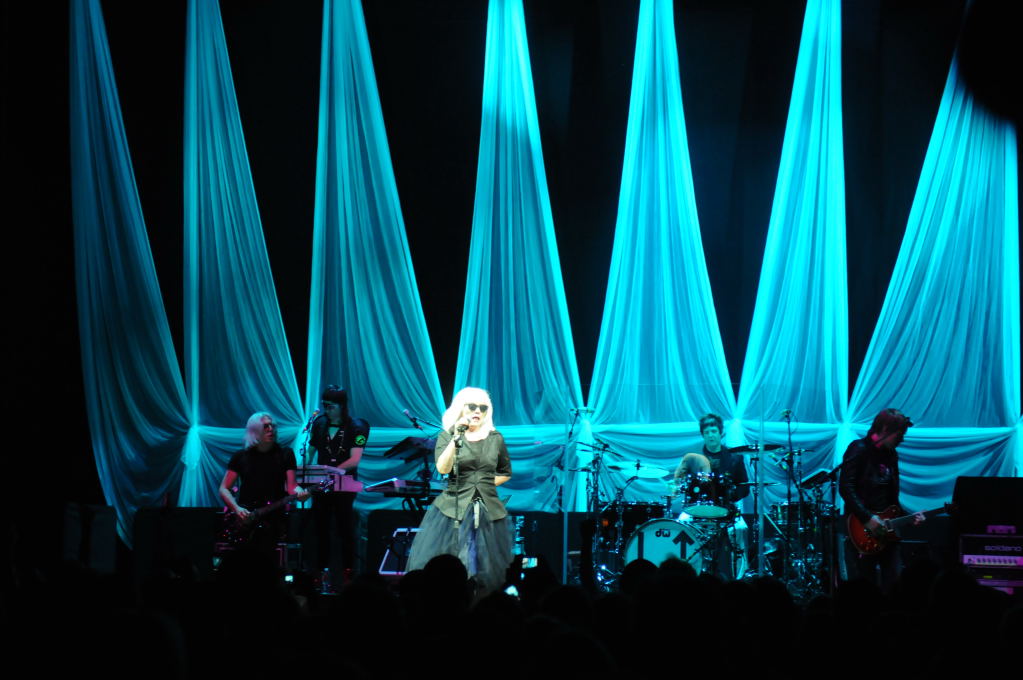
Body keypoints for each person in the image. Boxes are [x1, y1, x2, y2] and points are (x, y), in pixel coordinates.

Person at [406, 387, 513, 595]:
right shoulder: (447, 436)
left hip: (486, 508)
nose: (477, 411)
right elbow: (443, 468)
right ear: (461, 408)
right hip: (453, 506)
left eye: (483, 408)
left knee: (482, 562)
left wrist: (484, 486)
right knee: (454, 557)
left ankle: (478, 600)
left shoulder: (495, 438)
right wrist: (457, 438)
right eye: (472, 406)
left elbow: (505, 472)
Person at [839, 407, 921, 591]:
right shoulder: (859, 449)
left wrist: (908, 517)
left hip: (888, 531)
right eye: (899, 435)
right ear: (885, 429)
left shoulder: (891, 455)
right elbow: (846, 488)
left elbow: (892, 498)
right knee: (864, 587)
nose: (902, 439)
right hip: (862, 529)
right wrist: (867, 517)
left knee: (894, 585)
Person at [219, 412, 309, 554]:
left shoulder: (285, 454)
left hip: (273, 517)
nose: (271, 429)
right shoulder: (241, 456)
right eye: (265, 426)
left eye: (273, 426)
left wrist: (301, 494)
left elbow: (292, 487)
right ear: (254, 430)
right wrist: (237, 509)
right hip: (247, 517)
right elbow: (224, 488)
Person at [307, 385, 369, 580]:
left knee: (345, 527)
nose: (327, 410)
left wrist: (334, 471)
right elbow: (310, 451)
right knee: (320, 528)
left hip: (344, 483)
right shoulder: (319, 424)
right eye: (325, 406)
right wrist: (302, 474)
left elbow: (355, 459)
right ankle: (320, 572)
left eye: (331, 406)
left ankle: (348, 572)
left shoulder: (357, 426)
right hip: (321, 484)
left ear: (342, 406)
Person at [673, 413, 749, 504]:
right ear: (703, 435)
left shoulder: (735, 458)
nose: (710, 435)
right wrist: (675, 484)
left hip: (725, 507)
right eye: (706, 432)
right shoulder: (693, 458)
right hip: (699, 507)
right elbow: (682, 482)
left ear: (720, 433)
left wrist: (731, 495)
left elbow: (744, 487)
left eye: (713, 431)